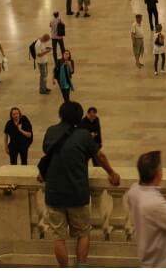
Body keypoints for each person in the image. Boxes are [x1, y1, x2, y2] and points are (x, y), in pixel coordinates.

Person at [41, 101, 121, 267]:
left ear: (61, 114)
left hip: (54, 193)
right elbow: (100, 156)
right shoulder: (84, 135)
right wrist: (112, 173)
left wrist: (42, 173)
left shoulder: (50, 131)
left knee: (58, 237)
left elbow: (50, 154)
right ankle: (81, 267)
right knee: (83, 233)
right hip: (77, 193)